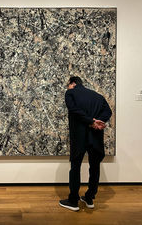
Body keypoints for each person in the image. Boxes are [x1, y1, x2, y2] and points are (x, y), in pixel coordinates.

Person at [59, 76, 112, 211]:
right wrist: (98, 121)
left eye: (68, 85)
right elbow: (108, 112)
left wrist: (90, 121)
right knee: (95, 167)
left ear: (73, 83)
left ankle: (73, 201)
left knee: (75, 167)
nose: (68, 87)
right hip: (95, 137)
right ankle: (89, 197)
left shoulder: (70, 93)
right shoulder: (98, 97)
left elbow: (73, 110)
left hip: (79, 137)